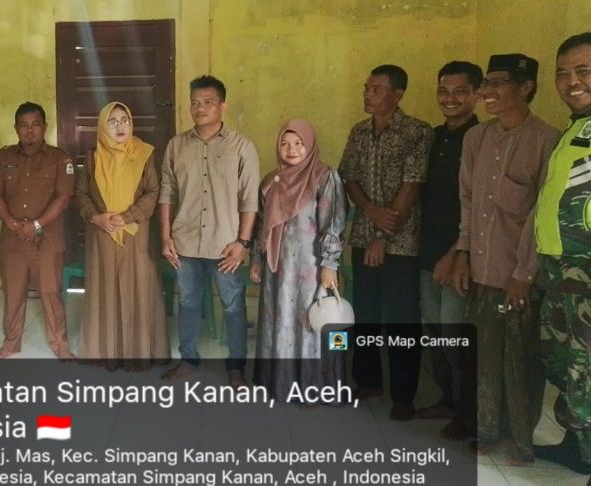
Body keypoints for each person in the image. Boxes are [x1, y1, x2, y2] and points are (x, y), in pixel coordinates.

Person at [450, 53, 557, 464]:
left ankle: (521, 440)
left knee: (519, 359)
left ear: (525, 87)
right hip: (480, 267)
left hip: (518, 274)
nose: (487, 92)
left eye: (497, 83)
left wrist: (524, 274)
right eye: (486, 84)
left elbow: (540, 215)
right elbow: (467, 200)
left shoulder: (546, 140)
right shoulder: (477, 139)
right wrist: (462, 253)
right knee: (484, 355)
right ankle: (488, 430)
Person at [339, 64, 433, 420]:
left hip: (400, 243)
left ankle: (403, 394)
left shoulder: (417, 132)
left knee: (400, 318)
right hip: (363, 236)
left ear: (398, 94)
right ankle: (368, 380)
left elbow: (412, 185)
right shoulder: (359, 131)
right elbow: (349, 177)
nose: (368, 94)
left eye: (376, 89)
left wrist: (382, 233)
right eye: (367, 88)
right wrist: (369, 212)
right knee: (364, 311)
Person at [160, 75, 260, 386]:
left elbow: (250, 199)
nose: (200, 108)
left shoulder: (241, 147)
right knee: (188, 302)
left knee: (233, 305)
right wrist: (165, 236)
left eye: (208, 102)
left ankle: (235, 368)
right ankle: (188, 360)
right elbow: (167, 192)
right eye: (194, 103)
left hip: (226, 245)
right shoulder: (176, 145)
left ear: (222, 106)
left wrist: (243, 243)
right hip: (185, 241)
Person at [533, 33, 591, 486]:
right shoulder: (575, 129)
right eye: (563, 73)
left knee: (588, 372)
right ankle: (576, 445)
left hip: (586, 269)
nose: (571, 82)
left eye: (584, 71)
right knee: (564, 362)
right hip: (562, 268)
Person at [249, 120, 347, 401]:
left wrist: (329, 266)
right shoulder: (271, 181)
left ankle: (314, 388)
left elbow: (333, 223)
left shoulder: (324, 177)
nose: (291, 149)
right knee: (279, 322)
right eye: (285, 143)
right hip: (277, 269)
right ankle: (281, 385)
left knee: (311, 323)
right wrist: (257, 259)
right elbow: (261, 225)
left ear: (310, 145)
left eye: (298, 143)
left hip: (311, 268)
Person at [75, 101, 168, 369]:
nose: (120, 126)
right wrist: (96, 217)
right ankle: (105, 352)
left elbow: (154, 191)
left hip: (135, 234)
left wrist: (127, 216)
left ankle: (139, 353)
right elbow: (80, 192)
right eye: (113, 121)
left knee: (138, 289)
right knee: (104, 290)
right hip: (101, 234)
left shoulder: (145, 154)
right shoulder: (93, 157)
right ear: (103, 126)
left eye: (124, 120)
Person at [417, 61, 482, 437]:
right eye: (444, 90)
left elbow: (477, 206)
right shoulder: (434, 137)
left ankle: (469, 413)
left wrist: (456, 253)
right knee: (434, 332)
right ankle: (448, 398)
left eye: (460, 92)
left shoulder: (480, 139)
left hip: (459, 257)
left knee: (455, 334)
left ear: (476, 95)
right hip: (427, 252)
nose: (450, 98)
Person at [0, 102, 76, 359]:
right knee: (13, 294)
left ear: (44, 127)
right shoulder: (3, 158)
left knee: (51, 293)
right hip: (13, 240)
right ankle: (11, 343)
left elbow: (64, 197)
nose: (29, 131)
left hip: (47, 240)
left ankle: (60, 345)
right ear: (16, 128)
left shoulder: (60, 159)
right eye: (24, 125)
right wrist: (12, 223)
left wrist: (36, 225)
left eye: (35, 125)